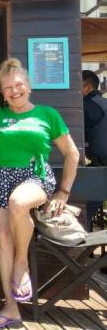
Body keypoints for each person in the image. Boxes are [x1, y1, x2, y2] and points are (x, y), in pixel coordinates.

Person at [0, 58, 79, 328]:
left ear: (29, 87)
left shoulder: (47, 114)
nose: (13, 91)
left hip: (35, 175)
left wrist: (63, 192)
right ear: (1, 91)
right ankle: (11, 308)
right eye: (7, 87)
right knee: (2, 240)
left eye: (18, 85)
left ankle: (21, 263)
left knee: (18, 203)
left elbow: (72, 154)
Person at [82, 70, 107, 230]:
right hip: (101, 164)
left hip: (102, 166)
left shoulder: (87, 106)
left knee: (84, 205)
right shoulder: (103, 103)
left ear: (87, 87)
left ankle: (78, 250)